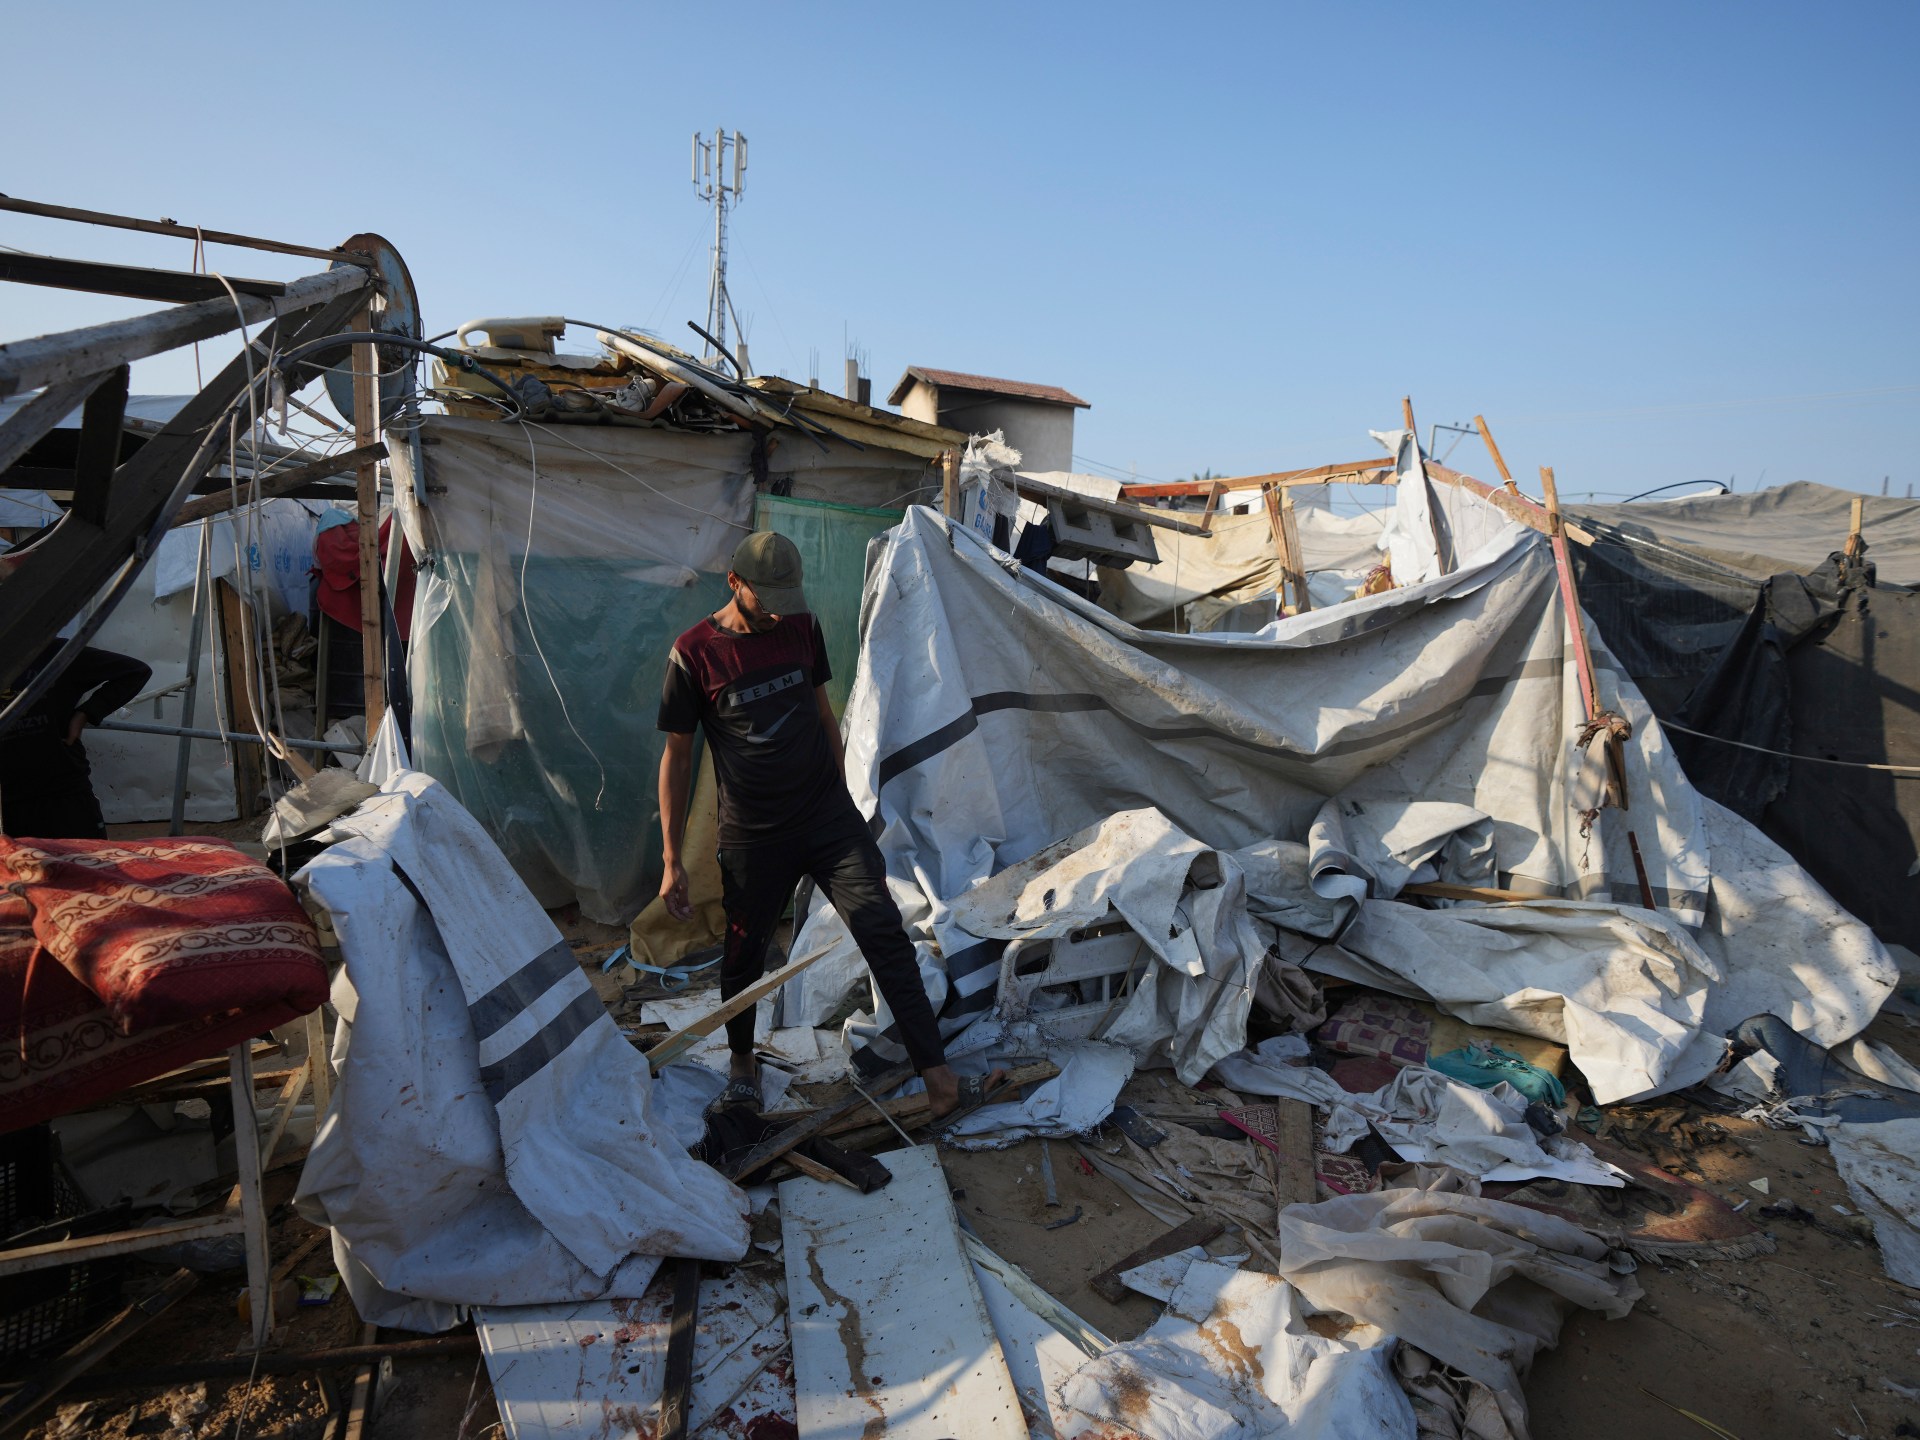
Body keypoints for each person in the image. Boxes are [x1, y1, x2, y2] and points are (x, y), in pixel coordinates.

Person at [656, 531, 1000, 1118]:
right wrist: (670, 861)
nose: (777, 609)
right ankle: (743, 1068)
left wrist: (843, 802)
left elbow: (822, 715)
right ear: (734, 583)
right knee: (744, 958)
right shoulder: (694, 655)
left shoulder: (801, 628)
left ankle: (939, 1081)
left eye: (786, 595)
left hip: (827, 820)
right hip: (754, 836)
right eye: (766, 597)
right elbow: (678, 757)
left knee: (884, 936)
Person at [0, 642, 152, 839]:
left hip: (63, 791)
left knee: (87, 862)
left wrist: (86, 713)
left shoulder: (56, 653)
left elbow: (135, 671)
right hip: (6, 802)